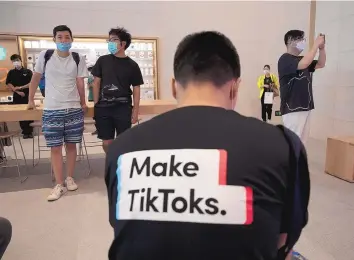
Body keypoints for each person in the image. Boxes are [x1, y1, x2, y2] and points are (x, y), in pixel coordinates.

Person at [105, 31, 310, 260]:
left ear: (174, 87)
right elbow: (283, 240)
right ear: (235, 87)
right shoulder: (282, 145)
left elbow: (124, 229)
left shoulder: (121, 147)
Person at [27, 25, 88, 202]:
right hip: (52, 109)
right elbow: (36, 78)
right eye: (59, 37)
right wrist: (30, 99)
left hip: (73, 108)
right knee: (55, 147)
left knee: (71, 145)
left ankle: (70, 178)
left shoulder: (77, 58)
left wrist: (83, 102)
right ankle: (59, 184)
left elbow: (80, 82)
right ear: (54, 39)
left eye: (67, 37)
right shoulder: (45, 56)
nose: (63, 40)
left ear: (71, 39)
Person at [92, 27, 143, 153]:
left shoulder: (132, 65)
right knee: (107, 141)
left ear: (123, 43)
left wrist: (135, 111)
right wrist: (96, 104)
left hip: (123, 106)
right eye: (109, 40)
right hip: (103, 106)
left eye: (114, 40)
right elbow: (96, 83)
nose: (110, 43)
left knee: (123, 140)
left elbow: (136, 88)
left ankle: (120, 164)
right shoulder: (102, 61)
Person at [278, 30, 326, 144]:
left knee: (301, 143)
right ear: (290, 41)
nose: (303, 42)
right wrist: (315, 45)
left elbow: (321, 63)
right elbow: (304, 64)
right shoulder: (285, 59)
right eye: (300, 39)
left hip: (306, 106)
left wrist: (321, 48)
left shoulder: (303, 59)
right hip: (293, 107)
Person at [6, 54, 34, 139]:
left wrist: (21, 87)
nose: (16, 62)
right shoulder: (11, 72)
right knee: (21, 114)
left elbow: (32, 83)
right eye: (14, 61)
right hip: (17, 96)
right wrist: (17, 91)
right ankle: (25, 132)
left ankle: (30, 131)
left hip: (28, 95)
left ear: (21, 60)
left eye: (17, 60)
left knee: (29, 113)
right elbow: (8, 83)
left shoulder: (28, 71)